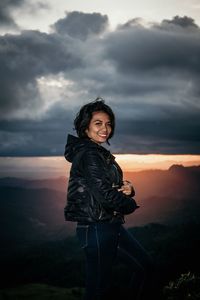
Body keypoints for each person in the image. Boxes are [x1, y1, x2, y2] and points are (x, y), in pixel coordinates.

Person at [64, 98, 154, 300]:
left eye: (108, 123)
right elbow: (105, 195)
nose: (105, 128)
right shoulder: (89, 154)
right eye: (98, 123)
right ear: (85, 126)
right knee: (99, 290)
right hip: (96, 228)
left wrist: (129, 190)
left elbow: (105, 186)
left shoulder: (96, 152)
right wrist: (130, 204)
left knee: (145, 267)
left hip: (109, 224)